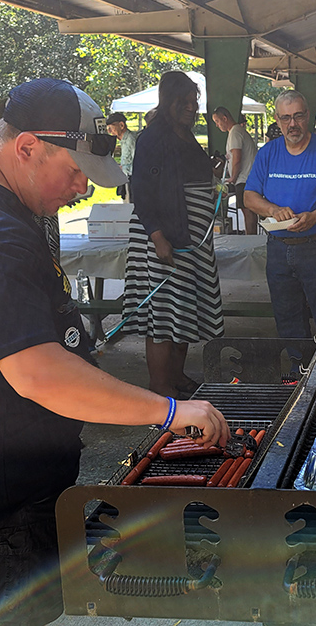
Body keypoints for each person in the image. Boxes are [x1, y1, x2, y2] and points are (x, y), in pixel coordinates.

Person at [0, 78, 230, 626]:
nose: (82, 188)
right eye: (76, 171)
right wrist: (169, 410)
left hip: (0, 450)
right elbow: (39, 375)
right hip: (1, 466)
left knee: (5, 599)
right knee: (20, 609)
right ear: (27, 146)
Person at [122, 71, 225, 397]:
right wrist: (157, 236)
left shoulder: (184, 135)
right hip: (163, 239)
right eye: (185, 102)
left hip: (189, 237)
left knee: (184, 309)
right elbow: (141, 189)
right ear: (168, 101)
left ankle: (177, 377)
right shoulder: (153, 137)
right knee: (163, 315)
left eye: (195, 102)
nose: (192, 108)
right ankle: (160, 386)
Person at [244, 89, 316, 351]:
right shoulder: (268, 153)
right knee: (287, 319)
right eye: (285, 118)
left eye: (298, 116)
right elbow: (249, 197)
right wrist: (272, 209)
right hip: (279, 248)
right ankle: (298, 374)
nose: (292, 124)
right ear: (277, 119)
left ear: (308, 116)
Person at [212, 105, 259, 234]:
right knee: (248, 211)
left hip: (244, 178)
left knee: (247, 211)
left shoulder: (235, 132)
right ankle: (251, 237)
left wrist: (232, 178)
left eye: (217, 121)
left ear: (224, 118)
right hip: (248, 177)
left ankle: (251, 239)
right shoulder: (237, 131)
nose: (217, 125)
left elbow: (237, 157)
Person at [106, 111, 135, 201]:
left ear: (121, 125)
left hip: (133, 180)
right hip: (126, 179)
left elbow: (138, 163)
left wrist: (122, 168)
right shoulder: (123, 140)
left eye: (111, 128)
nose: (109, 132)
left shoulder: (131, 139)